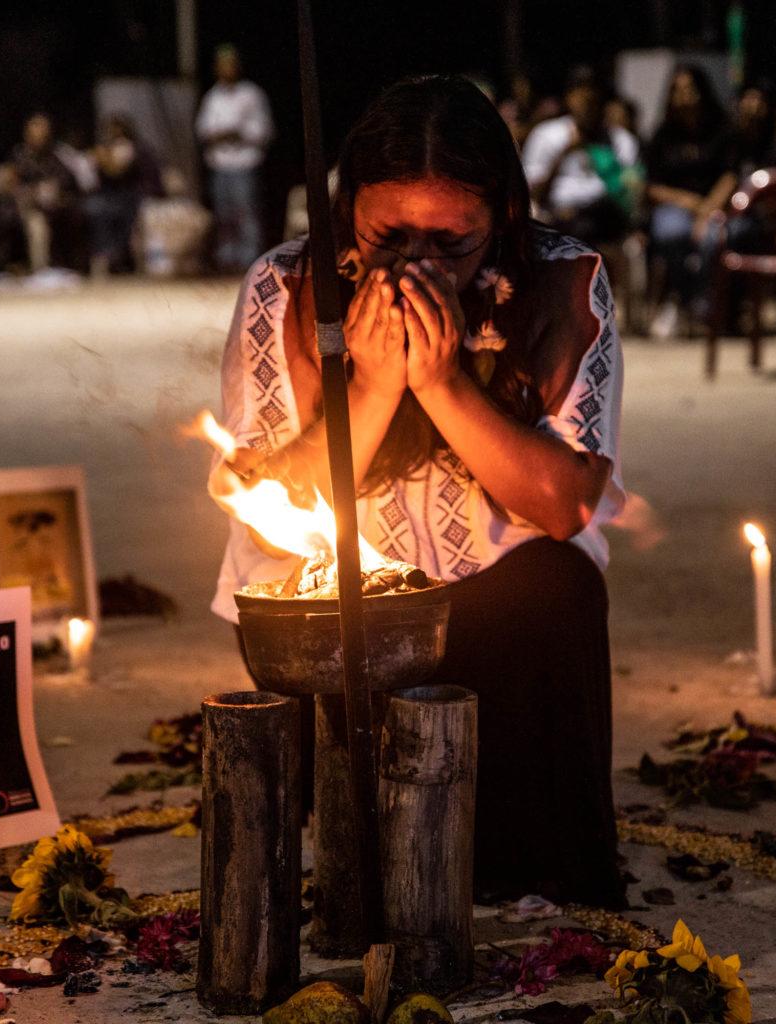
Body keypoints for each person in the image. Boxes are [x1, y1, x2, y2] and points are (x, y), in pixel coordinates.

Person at [211, 75, 627, 907]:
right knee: (292, 606)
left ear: (502, 218)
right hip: (338, 612)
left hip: (495, 616)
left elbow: (564, 505)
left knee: (560, 582)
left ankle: (524, 864)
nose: (416, 267)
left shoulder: (563, 282)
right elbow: (275, 506)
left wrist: (440, 383)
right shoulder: (285, 286)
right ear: (345, 211)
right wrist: (369, 389)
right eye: (388, 235)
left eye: (451, 243)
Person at [644, 65, 735, 337]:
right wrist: (690, 203)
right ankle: (681, 300)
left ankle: (707, 306)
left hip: (718, 206)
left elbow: (730, 176)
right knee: (671, 233)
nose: (685, 96)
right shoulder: (662, 134)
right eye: (678, 90)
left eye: (690, 89)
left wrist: (706, 211)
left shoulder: (722, 130)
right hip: (676, 207)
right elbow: (652, 186)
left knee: (712, 239)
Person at [521, 66, 642, 248]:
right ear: (569, 98)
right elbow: (531, 194)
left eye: (593, 99)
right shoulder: (546, 134)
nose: (587, 105)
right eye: (581, 97)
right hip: (557, 217)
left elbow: (631, 191)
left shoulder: (620, 140)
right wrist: (565, 152)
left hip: (606, 219)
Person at [196, 44, 273, 273]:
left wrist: (238, 133)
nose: (225, 70)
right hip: (220, 165)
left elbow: (264, 130)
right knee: (224, 215)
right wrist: (218, 134)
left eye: (229, 65)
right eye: (221, 65)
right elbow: (202, 129)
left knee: (246, 213)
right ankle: (227, 260)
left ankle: (250, 261)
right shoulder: (213, 96)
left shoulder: (252, 94)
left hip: (244, 164)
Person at [0, 112, 84, 272]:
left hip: (55, 207)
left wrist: (54, 192)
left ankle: (65, 267)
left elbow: (67, 182)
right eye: (35, 129)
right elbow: (10, 183)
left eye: (43, 130)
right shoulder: (19, 155)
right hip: (25, 207)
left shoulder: (57, 154)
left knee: (78, 214)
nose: (39, 134)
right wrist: (30, 192)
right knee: (35, 224)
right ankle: (39, 270)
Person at [85, 114, 162, 274]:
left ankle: (121, 258)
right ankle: (105, 256)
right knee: (94, 209)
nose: (112, 132)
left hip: (135, 193)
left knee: (121, 212)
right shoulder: (105, 147)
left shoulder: (133, 147)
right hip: (111, 195)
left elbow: (117, 171)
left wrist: (104, 159)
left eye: (116, 128)